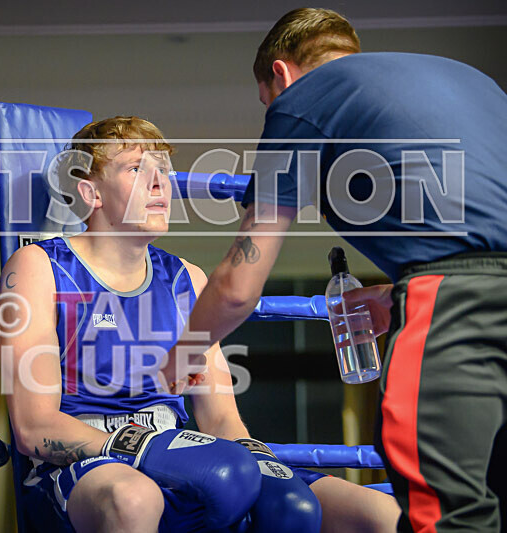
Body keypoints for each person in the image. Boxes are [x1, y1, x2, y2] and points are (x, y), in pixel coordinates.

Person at [163, 8, 507, 533]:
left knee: (450, 512)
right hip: (470, 287)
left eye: (266, 102)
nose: (272, 112)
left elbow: (238, 285)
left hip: (461, 306)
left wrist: (183, 354)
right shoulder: (463, 79)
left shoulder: (302, 102)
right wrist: (395, 296)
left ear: (281, 74)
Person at [0, 116, 395, 532]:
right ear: (90, 192)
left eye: (162, 170)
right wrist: (146, 449)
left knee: (373, 514)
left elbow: (221, 418)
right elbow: (33, 426)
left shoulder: (185, 280)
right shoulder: (41, 267)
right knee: (134, 498)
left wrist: (254, 456)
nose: (159, 184)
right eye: (136, 169)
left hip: (184, 463)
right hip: (87, 469)